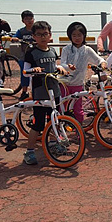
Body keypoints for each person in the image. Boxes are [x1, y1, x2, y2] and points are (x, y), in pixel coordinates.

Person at [22, 21, 69, 165]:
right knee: (38, 124)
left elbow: (53, 66)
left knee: (54, 119)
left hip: (54, 91)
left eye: (45, 34)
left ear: (50, 35)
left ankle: (54, 143)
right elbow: (25, 72)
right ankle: (29, 151)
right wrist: (33, 71)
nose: (43, 37)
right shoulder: (31, 53)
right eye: (39, 35)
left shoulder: (52, 51)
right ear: (34, 36)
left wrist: (60, 68)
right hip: (40, 93)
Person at [60, 22, 106, 123]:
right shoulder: (66, 49)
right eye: (74, 35)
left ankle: (79, 131)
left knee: (78, 110)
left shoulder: (87, 50)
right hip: (64, 83)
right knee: (62, 108)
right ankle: (60, 130)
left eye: (79, 35)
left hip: (78, 84)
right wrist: (68, 67)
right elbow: (62, 63)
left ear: (84, 35)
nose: (77, 38)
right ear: (70, 36)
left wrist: (103, 63)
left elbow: (98, 59)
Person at [11, 10, 35, 100]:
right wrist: (15, 39)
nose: (29, 21)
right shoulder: (21, 31)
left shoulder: (37, 29)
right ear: (23, 21)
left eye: (31, 18)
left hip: (36, 56)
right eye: (27, 19)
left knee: (36, 74)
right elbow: (14, 37)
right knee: (24, 74)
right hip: (24, 56)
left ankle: (36, 92)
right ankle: (24, 92)